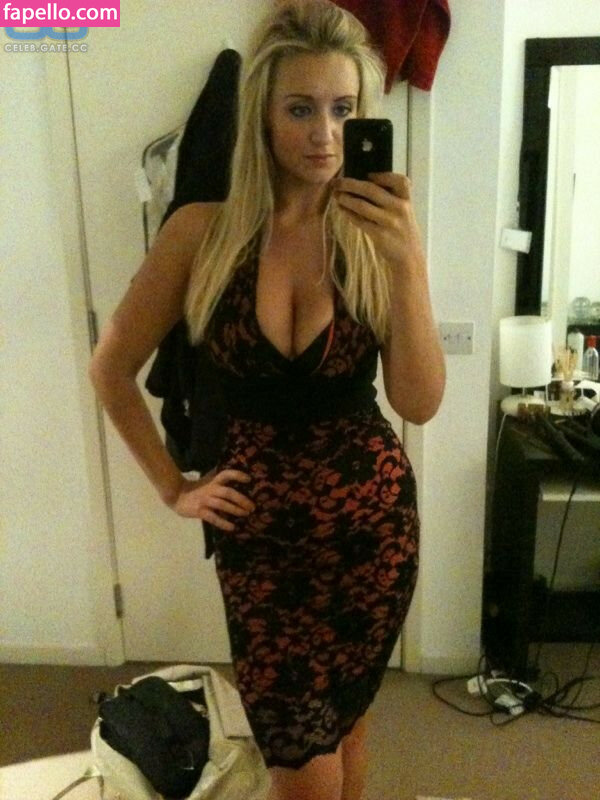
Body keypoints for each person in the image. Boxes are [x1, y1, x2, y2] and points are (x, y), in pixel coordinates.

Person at [89, 1, 445, 798]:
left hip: (372, 535)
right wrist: (173, 487)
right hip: (259, 550)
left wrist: (408, 260)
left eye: (343, 109)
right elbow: (111, 369)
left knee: (346, 724)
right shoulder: (201, 233)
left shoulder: (376, 238)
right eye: (300, 108)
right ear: (263, 114)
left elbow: (418, 402)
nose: (325, 133)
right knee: (301, 767)